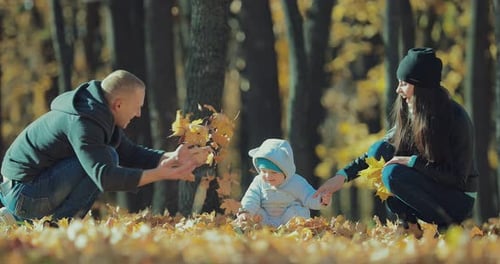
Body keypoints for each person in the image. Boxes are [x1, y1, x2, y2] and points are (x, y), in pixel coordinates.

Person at [0, 69, 210, 225]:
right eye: (137, 107)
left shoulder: (97, 113)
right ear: (118, 104)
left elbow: (129, 152)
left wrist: (171, 156)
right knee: (104, 159)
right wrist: (160, 173)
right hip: (23, 194)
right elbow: (105, 177)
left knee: (109, 154)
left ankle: (18, 217)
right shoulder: (84, 123)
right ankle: (56, 226)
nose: (138, 114)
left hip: (23, 189)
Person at [314, 48, 478, 235]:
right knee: (379, 152)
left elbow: (458, 179)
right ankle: (409, 224)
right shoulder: (411, 113)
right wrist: (341, 177)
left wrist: (411, 161)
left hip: (458, 199)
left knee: (392, 173)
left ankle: (448, 226)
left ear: (421, 86)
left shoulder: (456, 118)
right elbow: (373, 155)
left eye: (404, 84)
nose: (398, 90)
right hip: (431, 186)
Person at [236, 138, 330, 227]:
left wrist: (321, 200)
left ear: (285, 171)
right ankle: (249, 228)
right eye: (264, 171)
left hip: (289, 221)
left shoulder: (296, 182)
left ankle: (296, 232)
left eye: (274, 172)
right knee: (255, 213)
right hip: (266, 220)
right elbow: (251, 197)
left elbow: (309, 196)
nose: (268, 176)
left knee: (299, 211)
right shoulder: (259, 181)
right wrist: (246, 211)